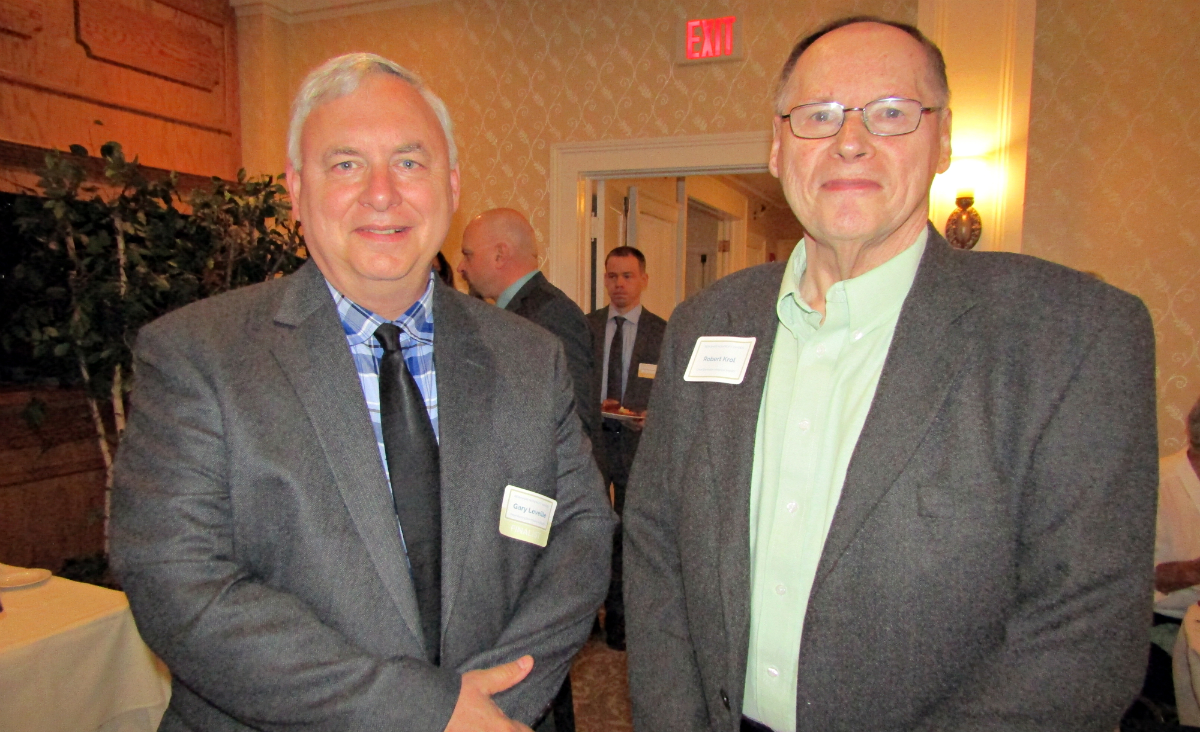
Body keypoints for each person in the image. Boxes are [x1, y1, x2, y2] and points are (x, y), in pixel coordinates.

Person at [623, 16, 1158, 732]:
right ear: (777, 148)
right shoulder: (704, 322)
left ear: (944, 142)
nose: (850, 140)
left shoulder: (1071, 336)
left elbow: (1084, 635)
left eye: (892, 114)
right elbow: (656, 539)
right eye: (818, 116)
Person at [110, 53, 614, 732]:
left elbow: (580, 534)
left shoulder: (530, 357)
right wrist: (425, 714)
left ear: (453, 184)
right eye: (346, 163)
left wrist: (495, 707)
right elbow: (182, 589)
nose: (382, 193)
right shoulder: (198, 356)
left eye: (410, 162)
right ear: (295, 189)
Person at [459, 208, 599, 443]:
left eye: (468, 254)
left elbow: (574, 425)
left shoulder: (552, 316)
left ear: (499, 255)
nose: (460, 267)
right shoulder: (518, 313)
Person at [586, 246, 666, 651]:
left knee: (632, 534)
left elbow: (673, 393)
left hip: (639, 446)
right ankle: (586, 619)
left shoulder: (663, 332)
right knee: (591, 530)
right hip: (594, 443)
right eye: (612, 276)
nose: (619, 285)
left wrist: (655, 414)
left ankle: (621, 621)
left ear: (644, 280)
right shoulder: (587, 326)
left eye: (628, 276)